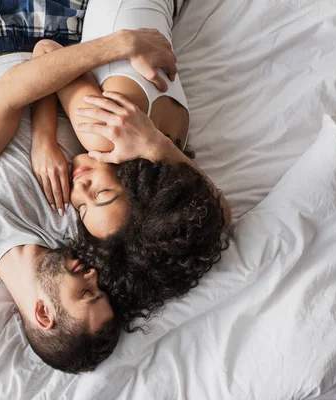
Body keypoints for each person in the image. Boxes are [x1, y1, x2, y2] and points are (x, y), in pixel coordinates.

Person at [0, 0, 179, 372]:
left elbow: (7, 96)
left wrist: (123, 44)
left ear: (43, 313)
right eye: (99, 289)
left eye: (86, 294)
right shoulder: (86, 229)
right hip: (70, 33)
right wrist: (43, 137)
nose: (93, 277)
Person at [27, 0, 232, 330]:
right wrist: (43, 140)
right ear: (135, 185)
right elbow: (46, 51)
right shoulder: (104, 138)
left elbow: (220, 215)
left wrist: (157, 144)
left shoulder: (173, 146)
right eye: (103, 194)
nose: (79, 186)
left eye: (80, 207)